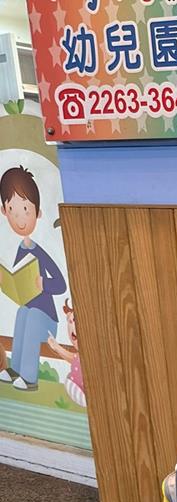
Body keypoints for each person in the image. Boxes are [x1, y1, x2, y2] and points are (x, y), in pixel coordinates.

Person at [0, 166, 67, 392]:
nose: (20, 220)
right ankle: (16, 370)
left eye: (26, 210)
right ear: (4, 211)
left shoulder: (40, 251)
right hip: (30, 309)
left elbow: (61, 284)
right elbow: (19, 275)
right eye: (13, 210)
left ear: (37, 213)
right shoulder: (21, 248)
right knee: (22, 313)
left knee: (31, 317)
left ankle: (29, 378)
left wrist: (43, 284)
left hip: (47, 319)